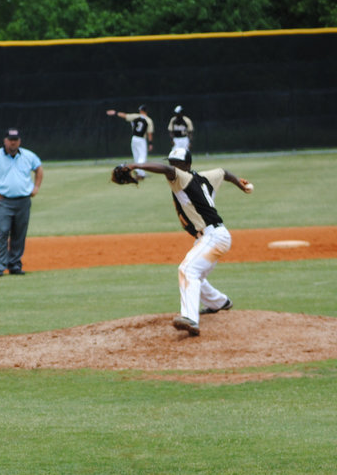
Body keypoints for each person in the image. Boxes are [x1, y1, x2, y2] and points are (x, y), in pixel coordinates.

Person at [124, 146, 253, 337]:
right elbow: (223, 173)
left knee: (187, 270)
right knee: (196, 274)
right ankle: (220, 302)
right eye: (172, 163)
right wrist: (240, 184)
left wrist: (134, 164)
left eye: (177, 164)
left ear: (186, 165)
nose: (173, 167)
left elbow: (167, 171)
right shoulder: (204, 178)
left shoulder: (181, 177)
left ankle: (190, 318)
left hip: (214, 236)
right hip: (213, 236)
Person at [0, 128, 44, 277]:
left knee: (19, 233)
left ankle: (14, 265)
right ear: (5, 141)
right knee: (3, 231)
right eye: (11, 140)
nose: (13, 143)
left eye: (16, 140)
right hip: (4, 201)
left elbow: (39, 169)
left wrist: (36, 186)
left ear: (19, 141)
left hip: (23, 200)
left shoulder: (28, 155)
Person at [106, 104, 153, 179]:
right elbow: (149, 133)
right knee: (142, 156)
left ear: (140, 111)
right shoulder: (148, 120)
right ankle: (140, 172)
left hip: (134, 138)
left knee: (136, 156)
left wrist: (115, 113)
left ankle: (140, 172)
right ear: (146, 111)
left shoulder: (135, 116)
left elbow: (125, 115)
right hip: (141, 139)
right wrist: (150, 143)